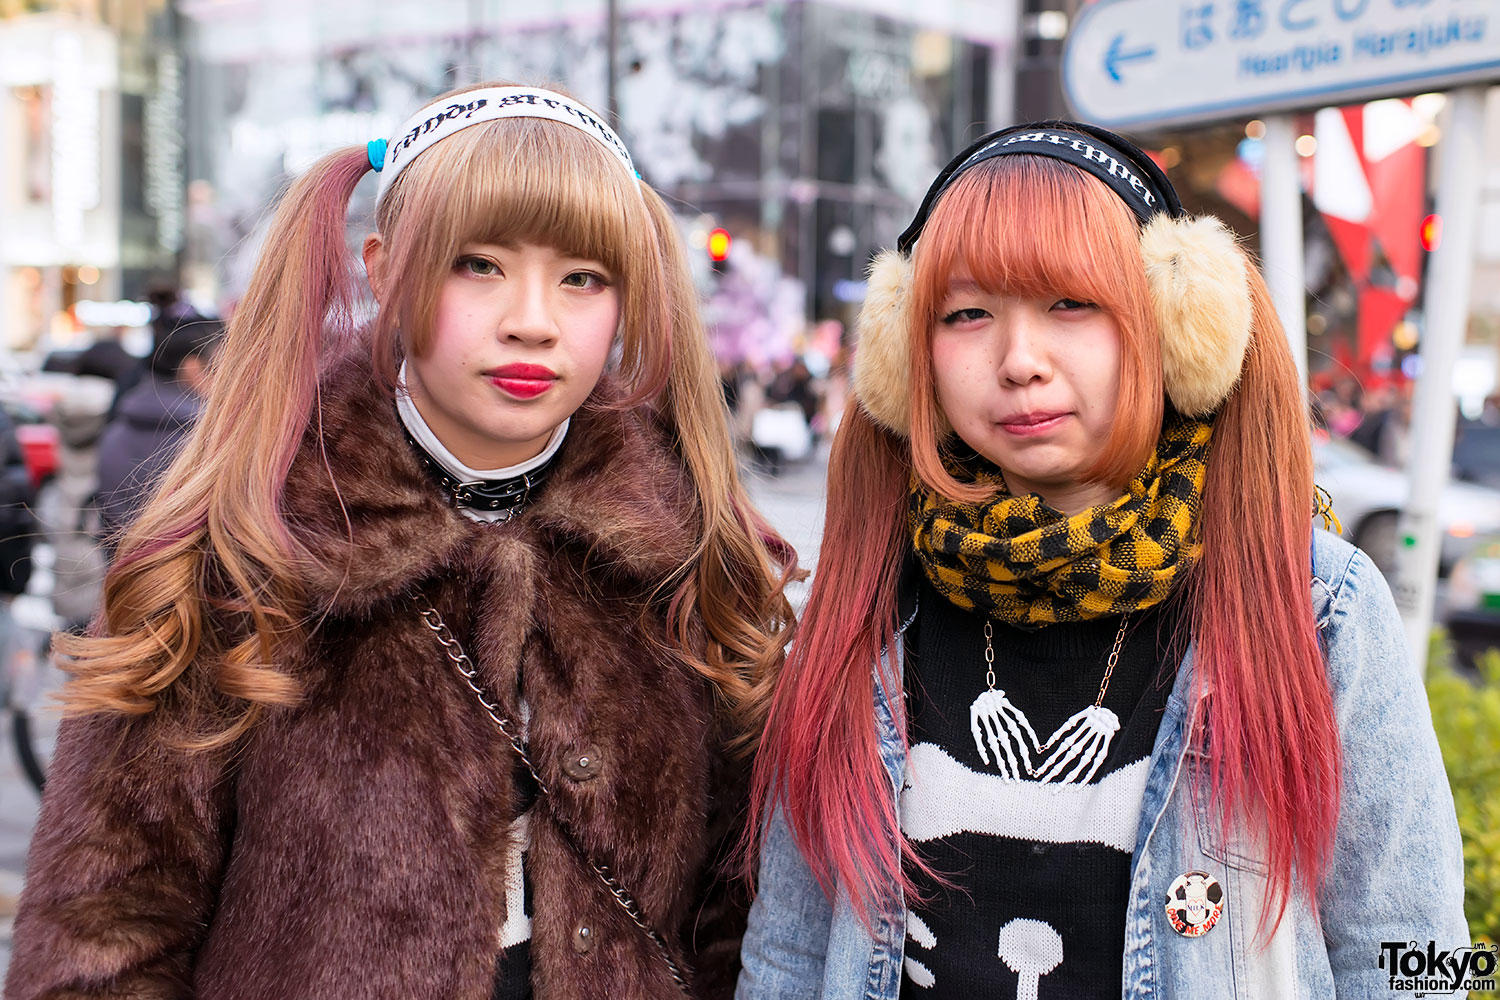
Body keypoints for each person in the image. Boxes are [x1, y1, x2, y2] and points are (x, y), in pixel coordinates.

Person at [8, 83, 796, 1000]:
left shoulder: (690, 562)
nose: (532, 318)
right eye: (478, 265)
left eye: (583, 278)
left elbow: (739, 923)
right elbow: (103, 937)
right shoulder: (243, 554)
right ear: (383, 270)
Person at [737, 122, 1466, 999]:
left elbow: (1414, 953)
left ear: (1175, 327)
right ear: (906, 355)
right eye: (966, 314)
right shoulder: (867, 607)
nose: (1018, 362)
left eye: (1070, 305)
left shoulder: (1319, 607)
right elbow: (783, 952)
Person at [95, 315, 223, 560]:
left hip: (127, 583)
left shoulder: (119, 427)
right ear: (195, 369)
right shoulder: (203, 440)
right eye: (227, 364)